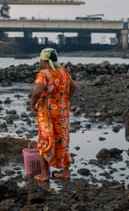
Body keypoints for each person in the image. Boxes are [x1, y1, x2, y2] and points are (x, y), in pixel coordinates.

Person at [29, 47, 77, 181]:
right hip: (62, 113)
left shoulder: (44, 74)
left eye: (40, 60)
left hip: (48, 113)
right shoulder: (63, 71)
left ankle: (44, 174)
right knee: (63, 140)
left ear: (44, 60)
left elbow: (38, 91)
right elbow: (74, 87)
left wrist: (32, 105)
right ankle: (66, 172)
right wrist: (64, 99)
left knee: (45, 141)